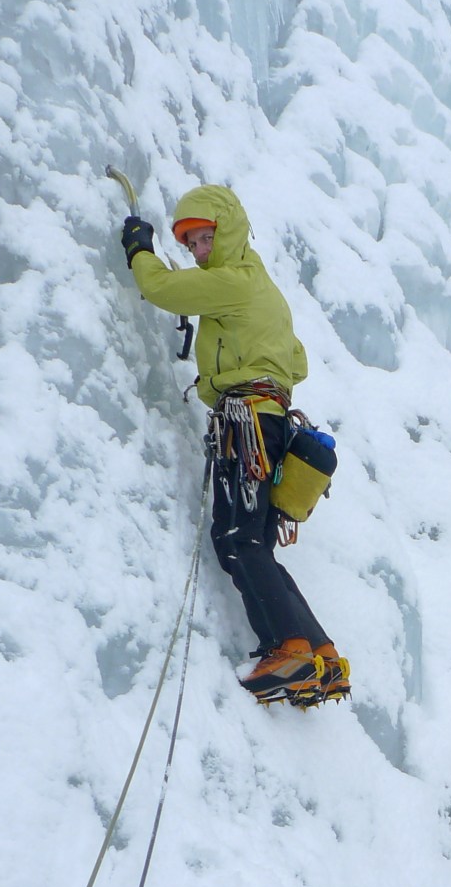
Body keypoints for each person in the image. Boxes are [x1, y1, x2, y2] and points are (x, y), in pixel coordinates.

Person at [120, 184, 349, 706]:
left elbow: (163, 291)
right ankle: (322, 656)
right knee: (255, 544)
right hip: (271, 423)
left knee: (236, 539)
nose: (198, 253)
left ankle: (289, 649)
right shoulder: (259, 286)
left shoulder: (235, 281)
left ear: (226, 232)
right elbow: (296, 361)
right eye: (192, 246)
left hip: (246, 424)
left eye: (203, 239)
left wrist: (140, 251)